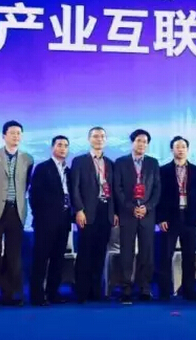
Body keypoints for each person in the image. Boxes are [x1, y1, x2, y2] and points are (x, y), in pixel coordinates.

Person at [0, 121, 33, 307]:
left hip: (16, 210)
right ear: (4, 136)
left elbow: (26, 184)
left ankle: (11, 293)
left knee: (14, 254)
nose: (16, 136)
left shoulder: (28, 159)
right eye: (12, 133)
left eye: (19, 133)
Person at [70, 126, 118, 303]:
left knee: (100, 253)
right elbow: (74, 188)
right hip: (87, 212)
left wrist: (115, 212)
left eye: (102, 136)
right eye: (96, 136)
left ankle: (96, 291)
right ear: (89, 139)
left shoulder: (110, 163)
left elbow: (114, 190)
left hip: (105, 212)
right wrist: (79, 210)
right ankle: (82, 292)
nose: (99, 139)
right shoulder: (79, 161)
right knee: (85, 253)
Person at [114, 129, 161, 304]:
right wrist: (130, 207)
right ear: (132, 142)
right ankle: (126, 289)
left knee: (147, 252)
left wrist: (147, 207)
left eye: (145, 142)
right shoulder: (121, 162)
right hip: (128, 214)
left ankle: (145, 288)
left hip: (147, 215)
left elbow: (157, 189)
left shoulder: (153, 163)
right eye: (139, 141)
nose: (142, 144)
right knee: (126, 252)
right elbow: (117, 188)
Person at [156, 136, 196, 301]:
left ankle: (188, 290)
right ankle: (164, 291)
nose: (180, 149)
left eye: (183, 146)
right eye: (177, 147)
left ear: (187, 150)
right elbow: (159, 196)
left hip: (190, 218)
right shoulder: (163, 171)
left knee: (189, 257)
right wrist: (160, 218)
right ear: (172, 150)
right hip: (170, 219)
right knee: (165, 256)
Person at [29, 136, 73, 306]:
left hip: (64, 220)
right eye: (59, 145)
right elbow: (34, 195)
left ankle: (53, 293)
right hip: (45, 222)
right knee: (41, 259)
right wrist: (40, 216)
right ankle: (37, 295)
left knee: (58, 258)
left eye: (66, 146)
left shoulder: (68, 170)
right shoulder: (42, 168)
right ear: (52, 147)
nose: (63, 148)